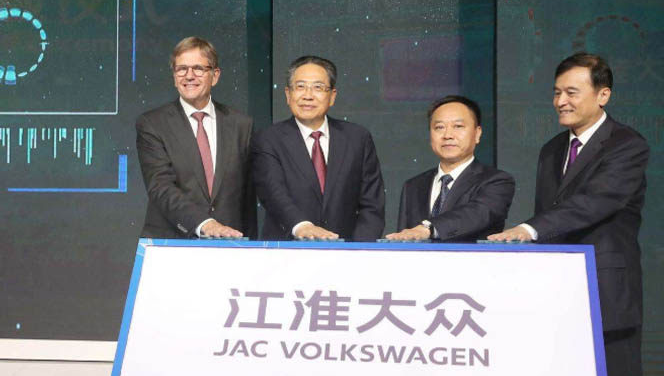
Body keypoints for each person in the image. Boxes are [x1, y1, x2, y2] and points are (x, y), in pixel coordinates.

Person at [488, 53, 649, 376]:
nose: (560, 101)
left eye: (572, 92)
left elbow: (593, 203)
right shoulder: (551, 149)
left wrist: (529, 229)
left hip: (608, 296)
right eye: (557, 92)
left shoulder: (627, 145)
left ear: (603, 95)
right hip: (561, 300)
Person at [252, 55, 384, 241]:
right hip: (288, 250)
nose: (308, 95)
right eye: (300, 87)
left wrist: (359, 250)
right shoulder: (268, 139)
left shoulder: (357, 138)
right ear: (288, 95)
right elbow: (273, 194)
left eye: (318, 87)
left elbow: (372, 205)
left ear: (332, 96)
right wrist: (302, 227)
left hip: (346, 251)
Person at [135, 36, 256, 239]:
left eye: (198, 69)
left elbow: (247, 197)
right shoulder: (152, 124)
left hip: (230, 243)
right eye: (182, 69)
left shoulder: (241, 124)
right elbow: (160, 187)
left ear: (215, 76)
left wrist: (250, 245)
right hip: (172, 243)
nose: (189, 76)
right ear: (174, 77)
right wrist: (206, 224)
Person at [386, 95, 514, 242]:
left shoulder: (497, 181)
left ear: (477, 133)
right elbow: (404, 238)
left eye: (458, 126)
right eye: (439, 127)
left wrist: (428, 228)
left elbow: (476, 214)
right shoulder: (413, 186)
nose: (447, 135)